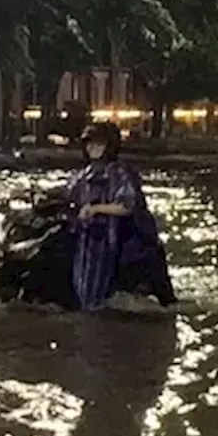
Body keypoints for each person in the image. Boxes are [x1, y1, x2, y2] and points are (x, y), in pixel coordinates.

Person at [67, 122, 177, 311]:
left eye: (99, 144)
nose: (93, 148)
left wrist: (96, 209)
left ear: (109, 146)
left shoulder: (118, 172)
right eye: (90, 144)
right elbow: (68, 194)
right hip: (89, 241)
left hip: (115, 241)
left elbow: (126, 206)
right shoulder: (84, 175)